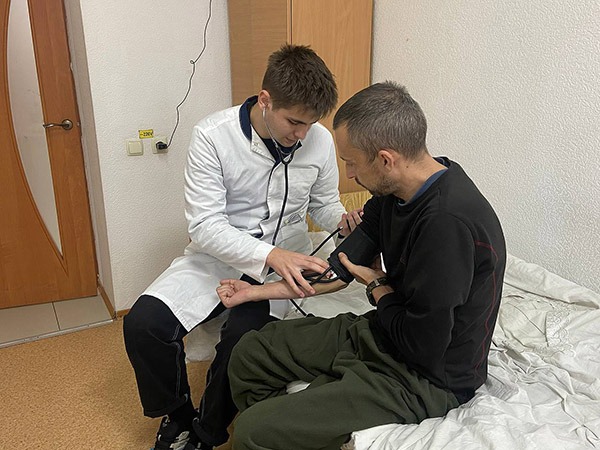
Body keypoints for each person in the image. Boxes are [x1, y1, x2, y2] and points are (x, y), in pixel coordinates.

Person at [218, 81, 507, 450]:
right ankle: (294, 426)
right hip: (385, 334)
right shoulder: (396, 191)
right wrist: (254, 292)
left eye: (351, 163)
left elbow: (423, 345)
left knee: (252, 432)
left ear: (385, 159)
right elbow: (340, 267)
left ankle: (284, 427)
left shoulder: (446, 224)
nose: (350, 175)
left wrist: (377, 286)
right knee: (250, 353)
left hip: (427, 376)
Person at [123, 45, 362, 450]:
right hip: (218, 257)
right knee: (144, 325)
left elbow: (323, 205)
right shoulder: (213, 136)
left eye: (310, 124)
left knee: (242, 337)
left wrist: (341, 220)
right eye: (294, 122)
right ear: (265, 100)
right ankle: (178, 415)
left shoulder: (319, 141)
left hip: (283, 264)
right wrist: (268, 254)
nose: (302, 135)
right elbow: (205, 225)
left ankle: (206, 432)